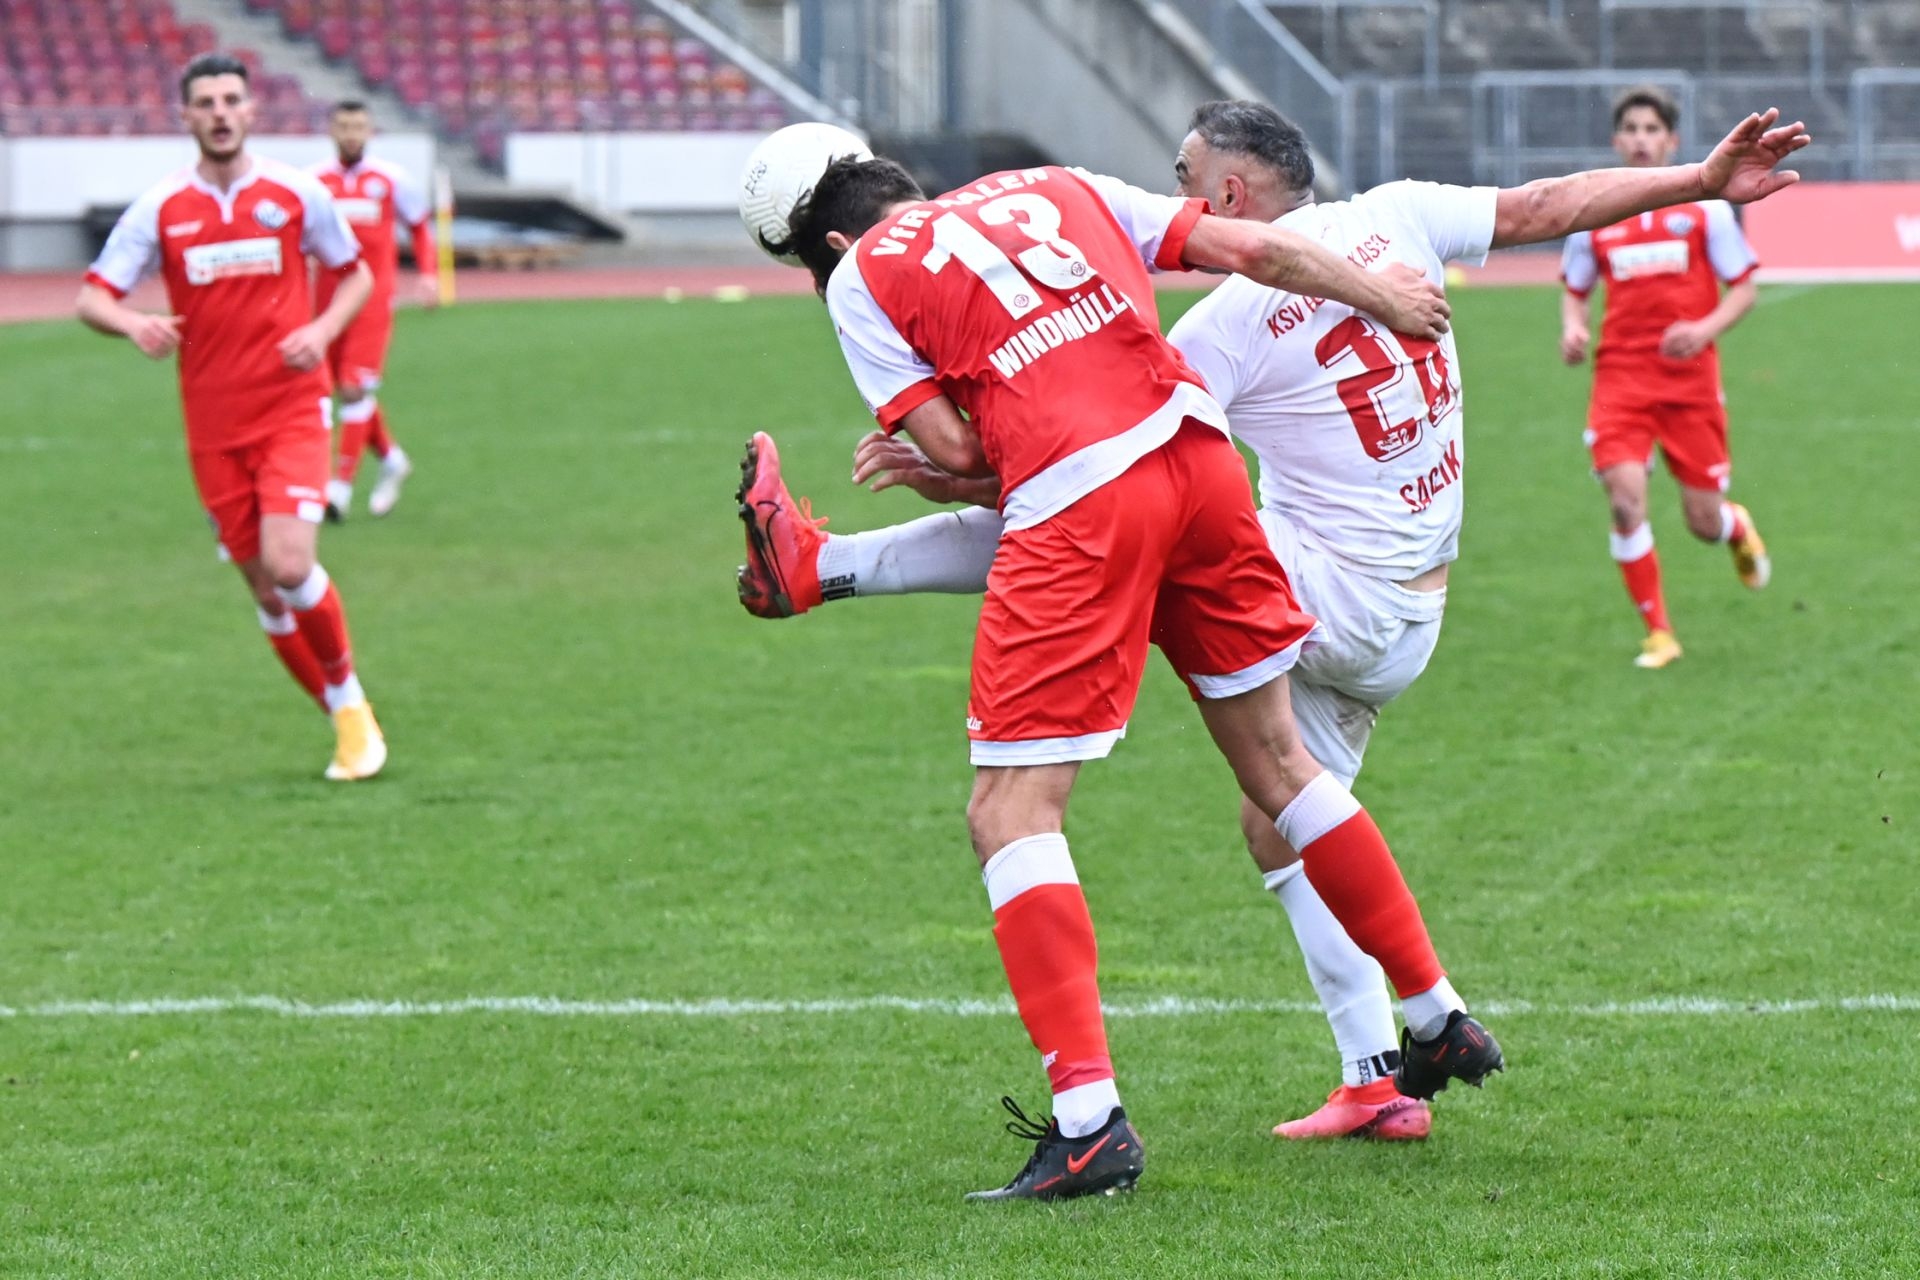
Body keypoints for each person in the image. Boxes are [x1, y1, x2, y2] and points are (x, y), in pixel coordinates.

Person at [736, 103, 1809, 1152]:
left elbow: (1062, 466)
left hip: (1325, 592)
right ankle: (1393, 1061)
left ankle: (825, 568)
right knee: (1279, 801)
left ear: (1229, 191)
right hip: (1411, 605)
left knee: (1079, 567)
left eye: (1183, 173)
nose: (1171, 190)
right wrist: (1697, 180)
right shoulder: (1400, 215)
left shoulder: (1222, 322)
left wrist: (945, 464)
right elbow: (1549, 202)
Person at [744, 147, 1500, 1203]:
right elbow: (1253, 247)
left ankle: (1089, 1123)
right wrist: (1381, 297)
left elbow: (965, 445)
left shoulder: (866, 274)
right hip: (1200, 463)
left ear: (826, 243)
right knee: (1280, 763)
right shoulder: (1054, 183)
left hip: (1088, 496)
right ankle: (1435, 1010)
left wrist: (939, 463)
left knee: (1011, 810)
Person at [76, 53, 388, 781]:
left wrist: (321, 332)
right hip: (213, 426)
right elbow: (92, 297)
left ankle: (350, 703)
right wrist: (133, 325)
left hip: (290, 410)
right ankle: (345, 721)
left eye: (231, 100)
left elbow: (357, 273)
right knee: (262, 590)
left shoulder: (295, 193)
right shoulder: (161, 209)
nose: (219, 112)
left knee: (290, 564)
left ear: (252, 111)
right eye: (205, 102)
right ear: (185, 117)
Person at [1561, 85, 1775, 669]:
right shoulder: (1596, 210)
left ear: (1671, 141)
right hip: (1621, 380)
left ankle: (1734, 526)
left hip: (1689, 383)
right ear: (1617, 140)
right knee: (1627, 505)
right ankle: (1659, 632)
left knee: (1702, 522)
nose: (1639, 139)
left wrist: (1704, 329)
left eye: (1651, 130)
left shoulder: (1705, 208)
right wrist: (1573, 328)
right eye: (1630, 129)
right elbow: (1574, 289)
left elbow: (1746, 289)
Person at [312, 98, 436, 521]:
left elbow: (420, 225)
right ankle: (392, 459)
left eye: (358, 126)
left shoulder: (390, 180)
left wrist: (428, 275)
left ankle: (338, 488)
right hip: (326, 302)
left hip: (372, 299)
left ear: (370, 131)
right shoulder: (315, 182)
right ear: (331, 130)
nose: (351, 133)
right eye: (343, 125)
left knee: (352, 387)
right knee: (335, 386)